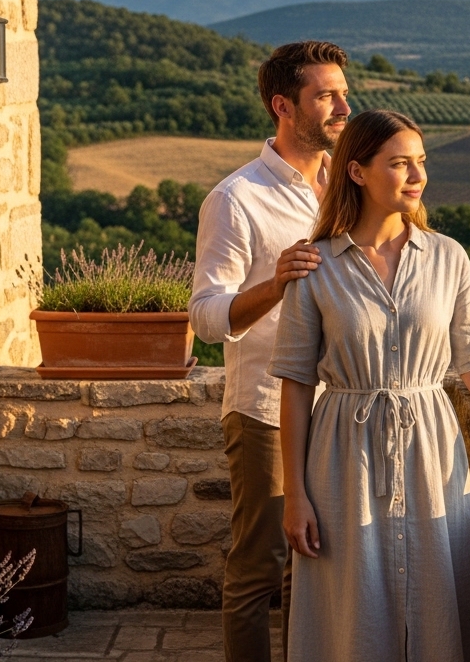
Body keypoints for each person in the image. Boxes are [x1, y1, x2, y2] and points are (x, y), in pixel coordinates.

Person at [269, 109, 470, 662]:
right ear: (357, 171)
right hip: (340, 460)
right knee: (348, 605)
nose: (418, 175)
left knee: (430, 600)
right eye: (400, 163)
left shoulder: (449, 257)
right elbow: (297, 386)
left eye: (421, 161)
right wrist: (296, 495)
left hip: (430, 450)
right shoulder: (316, 266)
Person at [187, 41, 350, 662]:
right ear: (284, 106)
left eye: (342, 91)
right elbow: (205, 318)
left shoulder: (348, 183)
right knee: (260, 564)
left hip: (341, 405)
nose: (342, 105)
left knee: (322, 562)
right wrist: (276, 282)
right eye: (326, 95)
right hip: (262, 410)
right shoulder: (236, 199)